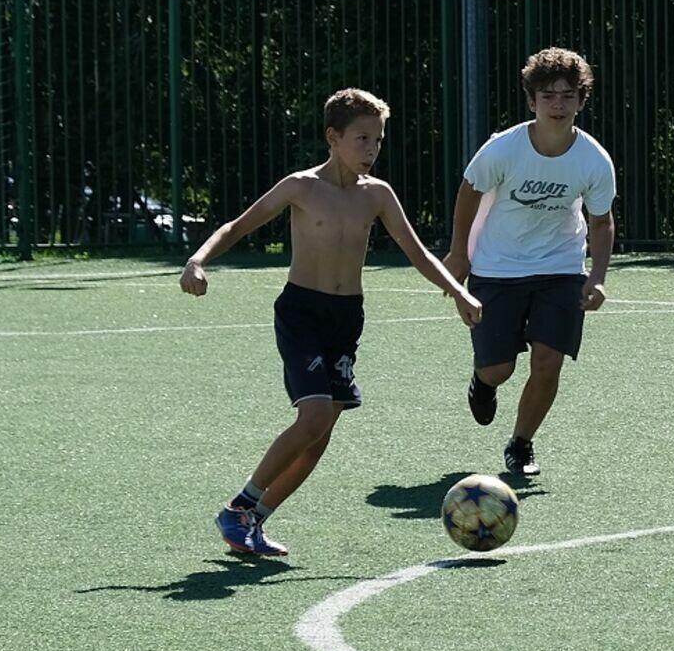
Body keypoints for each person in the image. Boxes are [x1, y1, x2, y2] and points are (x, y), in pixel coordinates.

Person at [180, 87, 483, 556]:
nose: (371, 149)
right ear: (333, 137)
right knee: (315, 415)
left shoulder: (377, 194)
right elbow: (236, 226)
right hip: (302, 312)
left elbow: (419, 253)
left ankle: (252, 521)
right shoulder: (301, 187)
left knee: (320, 433)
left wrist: (459, 291)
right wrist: (197, 260)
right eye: (362, 138)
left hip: (346, 317)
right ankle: (239, 506)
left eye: (377, 140)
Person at [442, 47, 615, 477]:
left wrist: (597, 276)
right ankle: (483, 382)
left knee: (548, 361)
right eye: (548, 95)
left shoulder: (594, 160)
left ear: (581, 101)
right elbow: (469, 191)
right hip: (497, 268)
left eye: (568, 95)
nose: (558, 104)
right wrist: (459, 253)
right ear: (532, 101)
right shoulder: (503, 149)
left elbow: (601, 221)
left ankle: (521, 444)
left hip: (560, 268)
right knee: (498, 369)